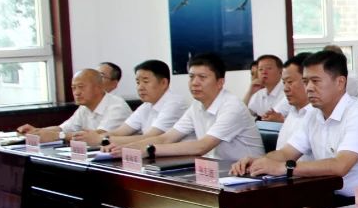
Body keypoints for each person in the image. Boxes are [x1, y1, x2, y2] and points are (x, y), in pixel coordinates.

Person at [231, 50, 358, 198]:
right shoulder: (313, 114)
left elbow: (340, 166)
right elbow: (287, 153)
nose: (309, 88)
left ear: (340, 82)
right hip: (333, 193)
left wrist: (283, 168)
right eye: (305, 81)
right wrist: (258, 162)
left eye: (316, 81)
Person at [128, 53, 263, 161]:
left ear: (220, 82)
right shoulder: (196, 105)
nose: (194, 83)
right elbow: (166, 138)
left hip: (248, 175)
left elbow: (202, 146)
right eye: (191, 77)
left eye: (202, 77)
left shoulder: (232, 107)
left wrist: (149, 150)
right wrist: (126, 149)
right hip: (216, 171)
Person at [83, 60, 188, 147]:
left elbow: (151, 137)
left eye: (145, 81)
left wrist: (102, 139)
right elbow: (119, 132)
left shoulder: (175, 103)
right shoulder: (146, 105)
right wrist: (92, 137)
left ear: (164, 83)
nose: (140, 87)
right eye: (138, 82)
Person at [18, 69, 132, 141]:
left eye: (81, 87)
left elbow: (97, 136)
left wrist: (57, 136)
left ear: (98, 87)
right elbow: (63, 128)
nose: (76, 93)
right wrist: (37, 132)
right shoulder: (84, 107)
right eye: (74, 88)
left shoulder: (117, 107)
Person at [275, 53, 312, 151]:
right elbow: (282, 153)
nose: (285, 89)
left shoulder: (317, 115)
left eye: (290, 82)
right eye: (284, 83)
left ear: (307, 81)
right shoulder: (293, 112)